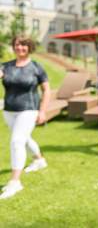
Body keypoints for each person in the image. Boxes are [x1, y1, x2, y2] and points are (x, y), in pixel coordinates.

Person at [0, 36, 50, 199]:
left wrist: (42, 111)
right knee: (24, 138)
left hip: (29, 109)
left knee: (17, 141)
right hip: (9, 110)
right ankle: (39, 160)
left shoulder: (36, 67)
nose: (20, 48)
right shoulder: (6, 66)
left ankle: (15, 182)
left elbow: (46, 90)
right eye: (17, 45)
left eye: (23, 45)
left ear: (29, 47)